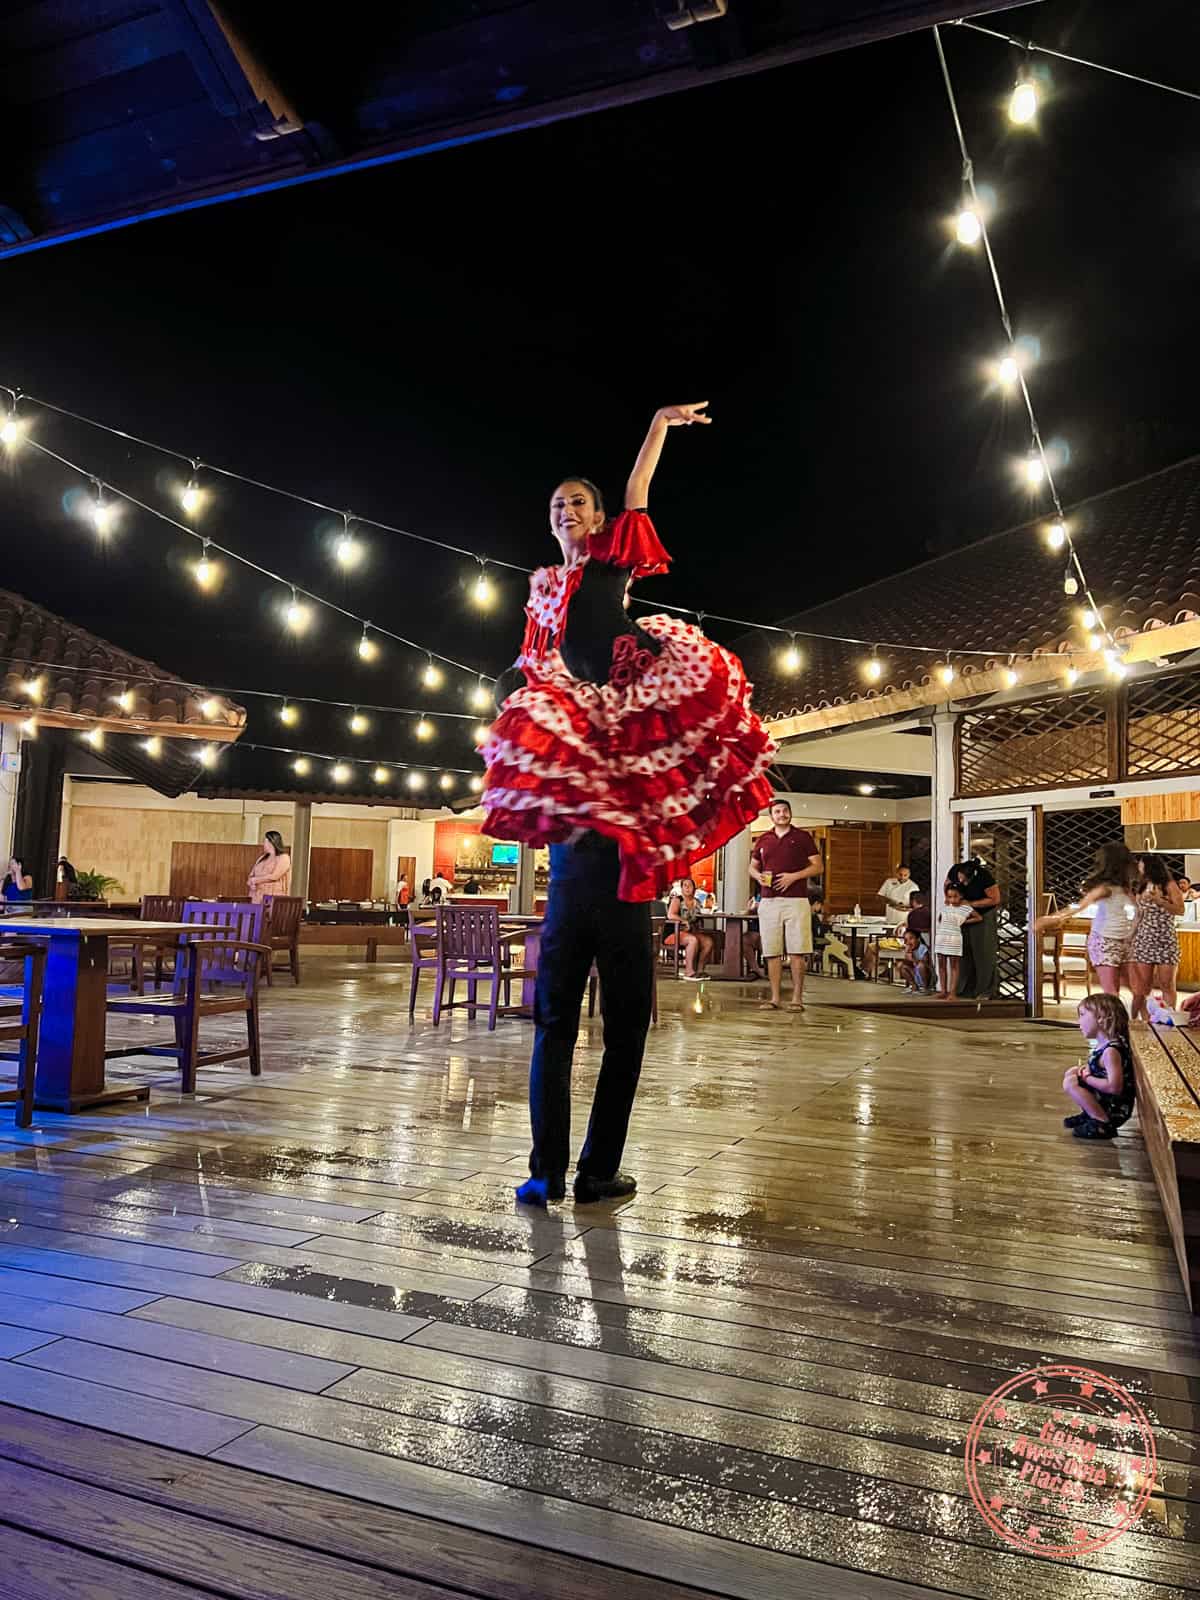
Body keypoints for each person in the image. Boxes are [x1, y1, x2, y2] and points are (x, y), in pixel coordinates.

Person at [482, 403, 774, 1207]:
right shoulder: (544, 597)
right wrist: (514, 697)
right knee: (579, 1025)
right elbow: (529, 666)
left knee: (578, 1024)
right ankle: (567, 1169)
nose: (564, 512)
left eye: (576, 502)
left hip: (603, 859)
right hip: (601, 873)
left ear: (599, 519)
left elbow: (640, 491)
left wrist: (656, 425)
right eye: (555, 506)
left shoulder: (609, 561)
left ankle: (573, 1169)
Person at [1035, 842, 1137, 998]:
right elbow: (1078, 907)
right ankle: (1117, 1021)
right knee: (1112, 990)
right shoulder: (1105, 889)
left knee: (1135, 989)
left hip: (1124, 941)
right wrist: (1050, 919)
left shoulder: (1125, 888)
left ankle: (1143, 1019)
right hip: (1105, 941)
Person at [749, 799, 822, 1012]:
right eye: (777, 811)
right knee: (771, 951)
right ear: (771, 816)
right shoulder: (763, 839)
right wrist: (759, 876)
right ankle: (774, 998)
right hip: (769, 901)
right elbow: (752, 868)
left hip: (796, 901)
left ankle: (797, 999)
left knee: (797, 951)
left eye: (785, 811)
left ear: (790, 813)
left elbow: (818, 867)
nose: (782, 814)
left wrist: (794, 877)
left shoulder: (802, 837)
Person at [1062, 992, 1136, 1140]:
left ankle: (1101, 1122)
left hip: (1115, 1108)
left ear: (1101, 1018)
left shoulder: (1111, 1052)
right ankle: (1090, 1114)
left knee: (1070, 1083)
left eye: (1082, 1015)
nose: (1079, 1021)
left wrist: (1088, 1078)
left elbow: (1114, 1087)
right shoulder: (1105, 1045)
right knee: (1072, 1073)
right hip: (1107, 1100)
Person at [1129, 855, 1185, 1020]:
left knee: (1167, 984)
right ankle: (1146, 1021)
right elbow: (1138, 915)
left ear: (1150, 867)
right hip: (1144, 939)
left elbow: (1180, 910)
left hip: (1165, 940)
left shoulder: (1170, 886)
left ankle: (1167, 1018)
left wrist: (1159, 900)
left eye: (1141, 866)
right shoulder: (1142, 886)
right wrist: (1130, 936)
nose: (1139, 869)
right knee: (1143, 986)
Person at [949, 858, 1001, 998]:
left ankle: (985, 990)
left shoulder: (984, 877)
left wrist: (970, 904)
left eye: (965, 881)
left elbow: (995, 899)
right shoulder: (955, 870)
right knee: (963, 951)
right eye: (960, 879)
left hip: (983, 915)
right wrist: (952, 900)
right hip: (962, 913)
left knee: (982, 952)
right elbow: (947, 884)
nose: (962, 883)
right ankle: (964, 988)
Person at [665, 877, 715, 980]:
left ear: (694, 889)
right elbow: (670, 915)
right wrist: (683, 921)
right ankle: (689, 972)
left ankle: (700, 970)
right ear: (682, 889)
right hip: (674, 933)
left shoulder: (696, 902)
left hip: (691, 932)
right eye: (685, 886)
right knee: (692, 940)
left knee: (708, 942)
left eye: (690, 886)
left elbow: (699, 917)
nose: (687, 888)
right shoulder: (677, 900)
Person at [934, 883, 977, 999]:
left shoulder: (966, 908)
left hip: (954, 938)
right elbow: (940, 919)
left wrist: (963, 922)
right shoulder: (946, 907)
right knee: (941, 964)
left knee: (954, 965)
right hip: (942, 936)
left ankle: (952, 992)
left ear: (961, 895)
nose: (952, 899)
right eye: (949, 896)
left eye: (955, 896)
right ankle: (943, 990)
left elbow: (978, 917)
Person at [247, 831, 291, 903]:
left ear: (271, 842)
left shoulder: (284, 858)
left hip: (273, 898)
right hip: (256, 897)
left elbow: (274, 876)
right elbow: (251, 875)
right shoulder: (262, 858)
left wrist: (255, 880)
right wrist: (251, 882)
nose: (263, 844)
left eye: (264, 841)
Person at [897, 928, 933, 993]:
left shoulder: (922, 948)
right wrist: (908, 953)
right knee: (900, 965)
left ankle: (925, 988)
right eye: (906, 940)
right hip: (915, 974)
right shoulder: (908, 949)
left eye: (911, 938)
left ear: (918, 939)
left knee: (921, 966)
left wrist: (913, 959)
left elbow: (925, 963)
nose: (909, 942)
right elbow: (907, 963)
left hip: (925, 976)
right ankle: (913, 985)